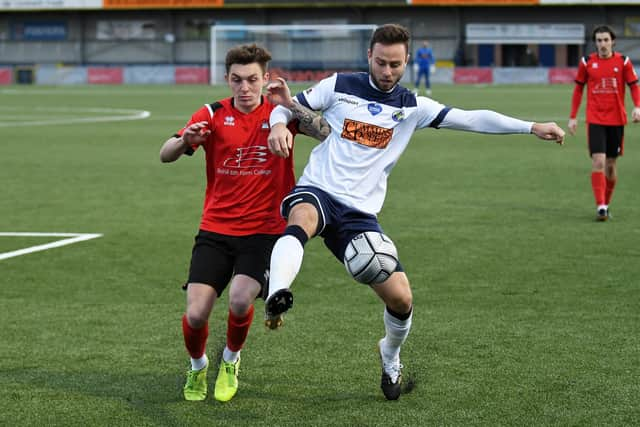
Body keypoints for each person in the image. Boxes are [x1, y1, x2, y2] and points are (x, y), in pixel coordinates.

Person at [263, 23, 565, 401]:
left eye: (395, 65)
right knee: (301, 221)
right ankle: (277, 292)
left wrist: (531, 126)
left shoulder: (412, 107)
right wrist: (278, 127)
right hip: (319, 189)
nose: (387, 72)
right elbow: (286, 107)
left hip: (360, 216)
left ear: (408, 61)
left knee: (402, 300)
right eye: (380, 63)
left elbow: (471, 118)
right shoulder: (338, 85)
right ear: (368, 57)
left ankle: (389, 354)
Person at [160, 44, 328, 403]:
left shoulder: (282, 113)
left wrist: (292, 112)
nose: (245, 88)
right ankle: (197, 366)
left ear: (265, 78)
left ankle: (230, 360)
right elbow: (165, 153)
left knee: (239, 299)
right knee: (196, 312)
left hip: (265, 230)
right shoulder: (213, 113)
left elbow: (326, 132)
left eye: (253, 80)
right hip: (216, 229)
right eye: (237, 80)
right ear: (227, 79)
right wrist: (185, 141)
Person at [568, 24, 640, 221]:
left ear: (613, 41)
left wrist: (637, 106)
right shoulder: (586, 62)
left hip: (617, 119)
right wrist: (573, 116)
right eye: (599, 40)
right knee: (598, 161)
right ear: (595, 43)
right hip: (595, 119)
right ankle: (600, 206)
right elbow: (578, 90)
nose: (602, 44)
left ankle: (606, 202)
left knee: (610, 164)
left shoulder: (623, 62)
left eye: (606, 40)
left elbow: (634, 86)